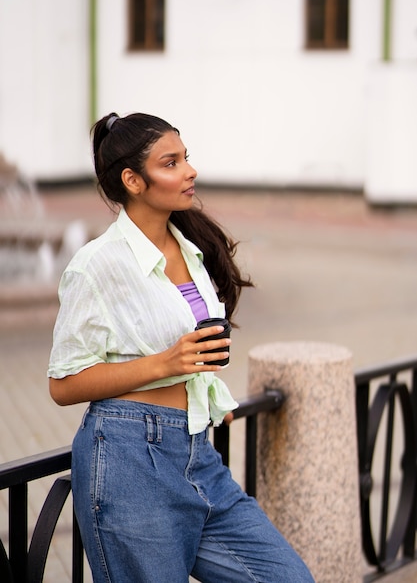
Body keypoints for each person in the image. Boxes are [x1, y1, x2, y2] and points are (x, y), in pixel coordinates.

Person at [48, 112, 314, 583]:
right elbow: (63, 384)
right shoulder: (96, 265)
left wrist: (207, 395)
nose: (189, 170)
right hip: (129, 458)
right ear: (133, 180)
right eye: (171, 162)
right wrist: (164, 364)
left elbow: (192, 349)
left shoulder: (189, 246)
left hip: (197, 453)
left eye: (185, 157)